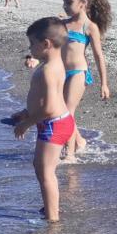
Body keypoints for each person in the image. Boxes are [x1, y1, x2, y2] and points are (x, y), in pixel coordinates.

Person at [12, 18, 72, 222]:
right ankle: (51, 207)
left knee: (44, 171)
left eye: (31, 44)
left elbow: (49, 108)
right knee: (44, 168)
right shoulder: (54, 63)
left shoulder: (47, 71)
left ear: (46, 44)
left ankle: (52, 218)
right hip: (60, 122)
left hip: (52, 124)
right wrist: (27, 112)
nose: (30, 48)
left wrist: (26, 123)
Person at [60, 0, 112, 159]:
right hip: (61, 74)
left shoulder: (89, 27)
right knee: (60, 110)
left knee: (67, 112)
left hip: (78, 73)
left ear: (82, 3)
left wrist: (104, 84)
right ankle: (79, 141)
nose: (65, 6)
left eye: (68, 2)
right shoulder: (62, 24)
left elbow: (98, 56)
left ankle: (70, 155)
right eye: (64, 2)